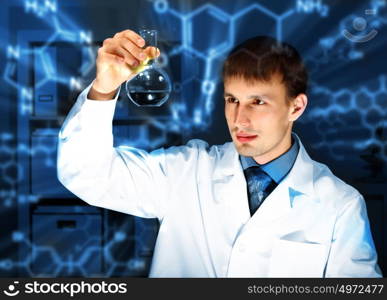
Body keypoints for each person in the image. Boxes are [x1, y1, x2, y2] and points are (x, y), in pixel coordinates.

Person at [57, 29, 382, 277]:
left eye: (258, 102)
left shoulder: (339, 205)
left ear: (295, 106)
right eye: (232, 100)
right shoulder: (185, 171)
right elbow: (86, 173)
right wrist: (104, 88)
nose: (240, 119)